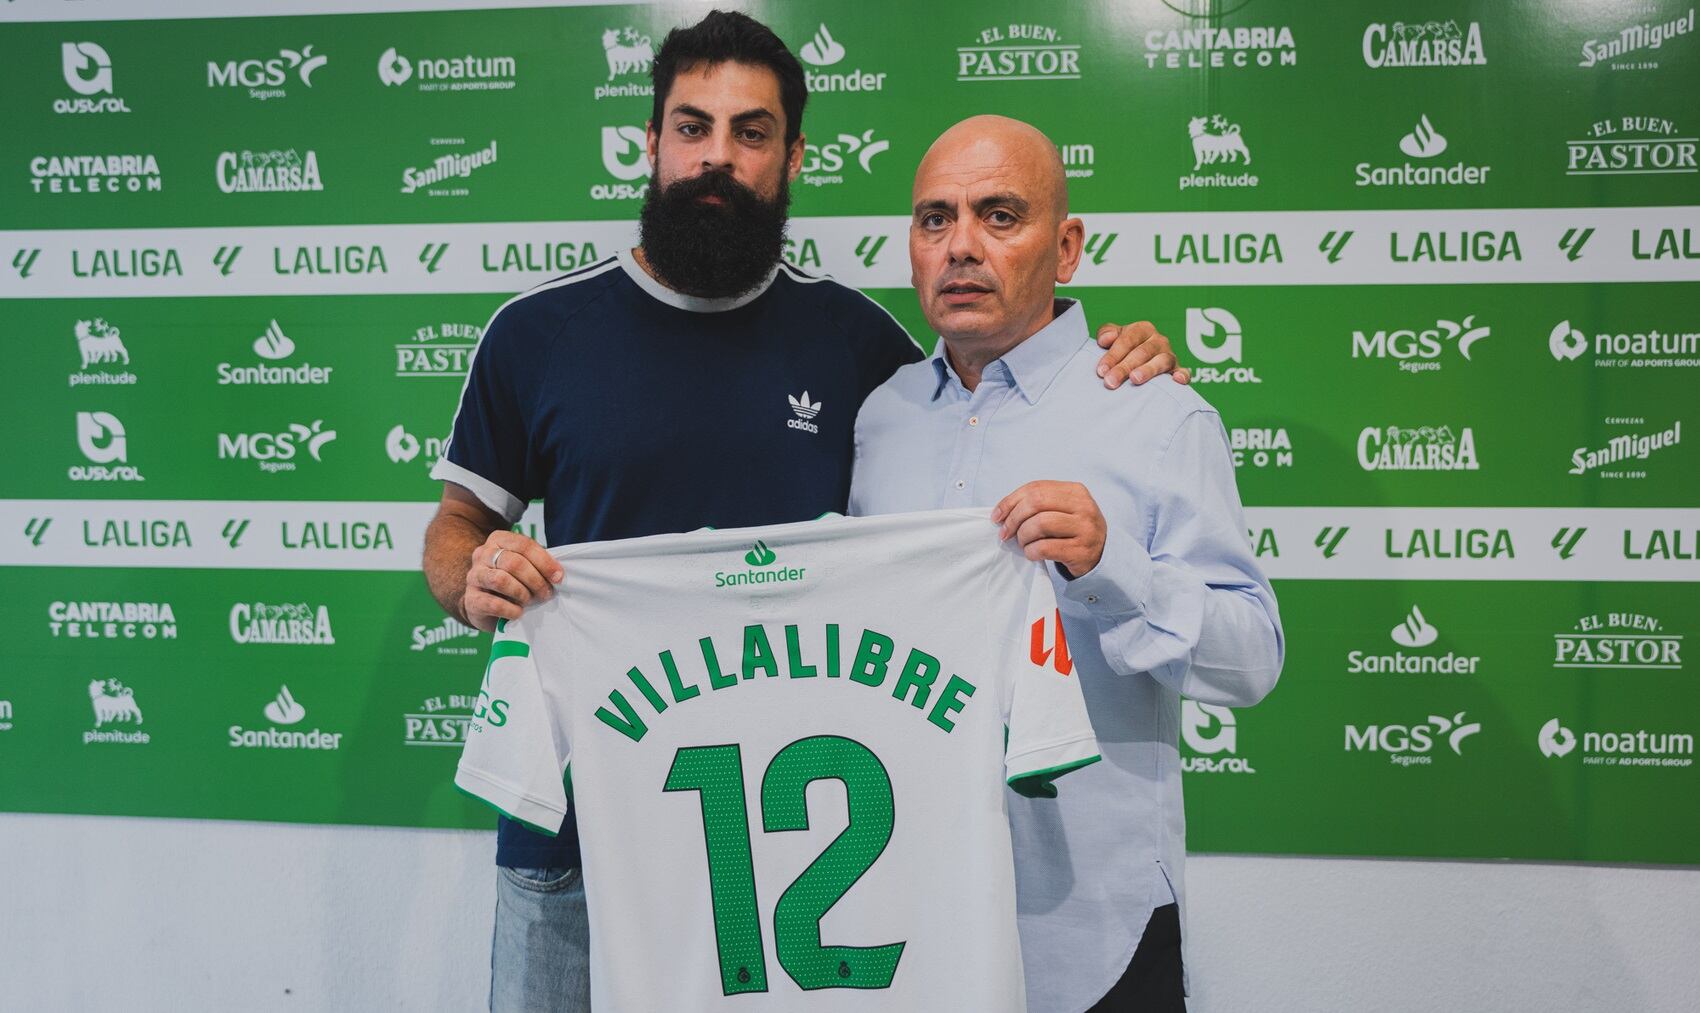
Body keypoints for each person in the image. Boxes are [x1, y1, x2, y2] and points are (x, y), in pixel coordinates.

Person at [419, 13, 1187, 1011]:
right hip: (573, 826)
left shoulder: (859, 344)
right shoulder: (535, 333)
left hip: (789, 841)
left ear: (792, 157)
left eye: (750, 133)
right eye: (691, 127)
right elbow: (452, 530)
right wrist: (474, 579)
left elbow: (982, 414)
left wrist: (1113, 358)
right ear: (648, 144)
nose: (716, 157)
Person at [849, 115, 1285, 1012]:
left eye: (999, 215)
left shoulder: (1157, 414)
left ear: (1068, 246)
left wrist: (1113, 568)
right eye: (935, 219)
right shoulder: (881, 417)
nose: (961, 245)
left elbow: (1253, 661)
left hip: (1094, 928)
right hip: (907, 918)